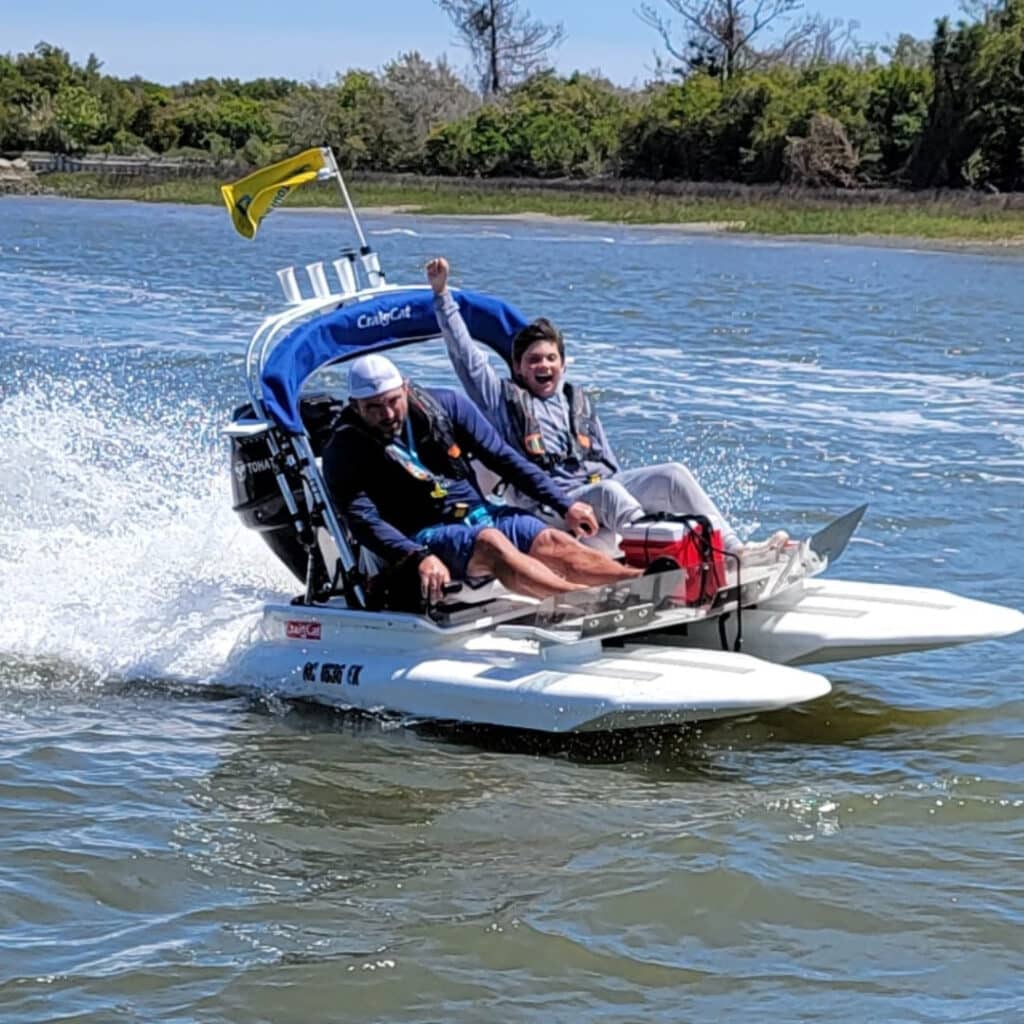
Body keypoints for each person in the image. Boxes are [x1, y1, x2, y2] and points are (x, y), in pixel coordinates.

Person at [426, 256, 788, 561]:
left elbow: (609, 465)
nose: (544, 366)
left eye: (551, 358)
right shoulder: (500, 400)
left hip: (595, 492)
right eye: (534, 360)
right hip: (548, 507)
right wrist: (442, 295)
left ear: (563, 365)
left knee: (671, 475)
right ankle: (656, 559)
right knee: (610, 495)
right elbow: (467, 359)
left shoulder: (577, 403)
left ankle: (737, 553)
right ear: (518, 368)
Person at [320, 353, 642, 605]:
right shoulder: (343, 449)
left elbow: (504, 459)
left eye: (393, 401)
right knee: (490, 543)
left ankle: (639, 583)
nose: (387, 414)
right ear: (355, 406)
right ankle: (587, 602)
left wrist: (564, 504)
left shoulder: (446, 405)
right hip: (420, 536)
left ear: (405, 387)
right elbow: (362, 521)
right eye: (373, 408)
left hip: (478, 514)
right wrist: (418, 556)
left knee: (550, 540)